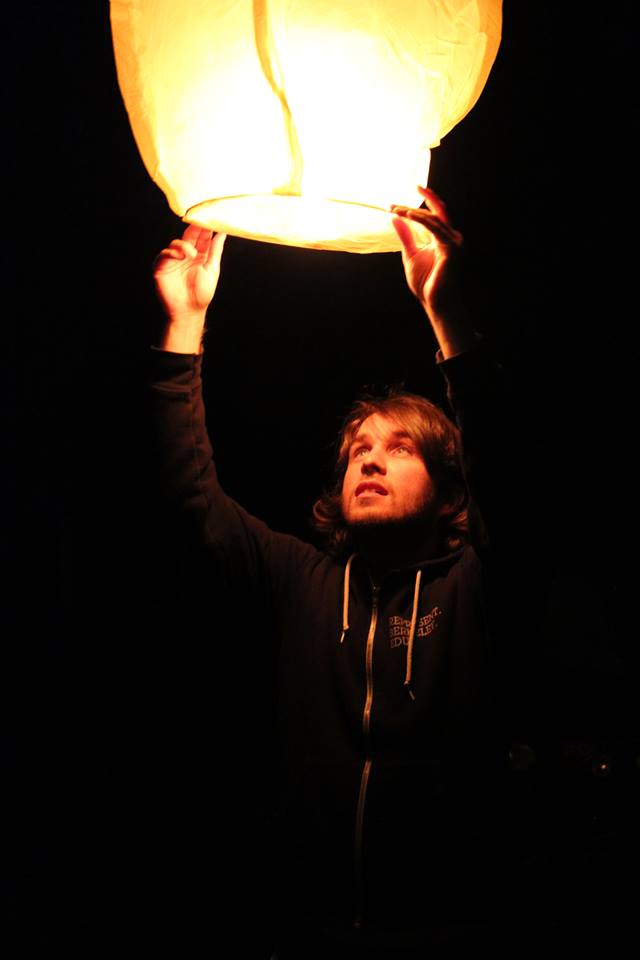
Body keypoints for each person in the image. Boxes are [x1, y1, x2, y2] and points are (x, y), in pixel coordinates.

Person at [148, 189, 509, 958]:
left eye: (401, 449)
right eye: (358, 451)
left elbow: (508, 469)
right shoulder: (301, 581)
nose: (370, 460)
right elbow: (189, 501)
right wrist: (184, 323)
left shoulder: (477, 585)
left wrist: (444, 308)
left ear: (448, 487)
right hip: (302, 931)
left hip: (451, 931)